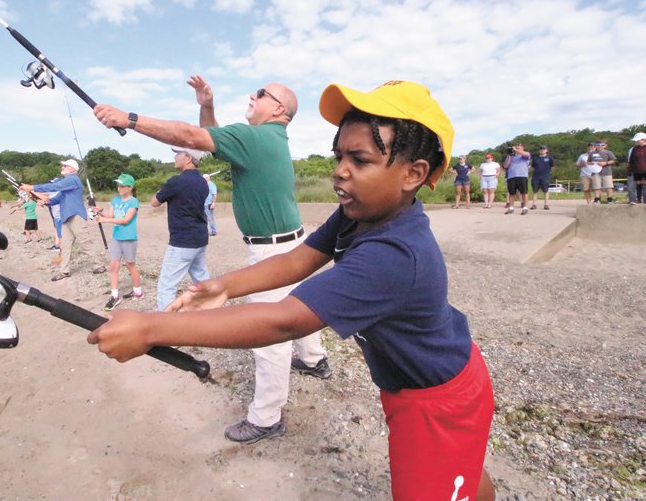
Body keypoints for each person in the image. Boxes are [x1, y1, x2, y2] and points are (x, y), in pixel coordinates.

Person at [88, 80, 496, 501]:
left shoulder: (395, 252)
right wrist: (224, 286)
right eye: (339, 155)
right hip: (421, 380)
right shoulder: (363, 213)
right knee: (459, 474)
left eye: (360, 159)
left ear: (413, 174)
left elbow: (284, 322)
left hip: (437, 400)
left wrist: (151, 329)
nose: (340, 170)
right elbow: (300, 259)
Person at [93, 75, 330, 445]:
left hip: (272, 249)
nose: (252, 95)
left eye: (261, 94)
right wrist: (207, 105)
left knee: (268, 336)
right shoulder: (265, 140)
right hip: (291, 241)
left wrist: (129, 119)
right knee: (301, 304)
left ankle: (266, 417)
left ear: (278, 109)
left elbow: (191, 138)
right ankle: (315, 361)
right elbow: (213, 141)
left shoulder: (256, 137)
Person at [151, 148, 211, 311]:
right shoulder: (203, 182)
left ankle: (165, 325)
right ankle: (212, 311)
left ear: (189, 158)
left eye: (178, 154)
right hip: (200, 237)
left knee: (167, 285)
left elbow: (155, 202)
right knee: (201, 279)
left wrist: (161, 191)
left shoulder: (176, 181)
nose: (175, 157)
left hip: (182, 241)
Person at [20, 159, 94, 281]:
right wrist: (47, 201)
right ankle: (64, 271)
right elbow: (58, 198)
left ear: (72, 169)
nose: (62, 167)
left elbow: (55, 186)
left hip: (75, 215)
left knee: (85, 242)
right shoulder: (67, 183)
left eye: (65, 165)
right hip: (66, 217)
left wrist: (32, 187)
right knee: (65, 245)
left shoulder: (72, 179)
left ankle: (99, 265)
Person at [94, 173, 143, 311]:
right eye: (118, 185)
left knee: (130, 265)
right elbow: (111, 215)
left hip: (129, 238)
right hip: (116, 238)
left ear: (130, 187)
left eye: (122, 185)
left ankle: (138, 291)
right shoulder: (115, 200)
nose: (119, 188)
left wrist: (104, 220)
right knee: (114, 266)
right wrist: (100, 212)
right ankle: (115, 296)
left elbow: (126, 220)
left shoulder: (133, 202)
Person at [502, 143, 531, 215]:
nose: (517, 149)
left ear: (522, 148)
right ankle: (511, 208)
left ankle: (525, 207)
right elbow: (505, 166)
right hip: (511, 176)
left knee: (524, 192)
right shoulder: (511, 156)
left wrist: (516, 150)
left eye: (519, 148)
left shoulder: (525, 154)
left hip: (522, 175)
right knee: (511, 193)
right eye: (516, 148)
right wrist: (509, 155)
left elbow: (526, 155)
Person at [530, 145, 555, 210]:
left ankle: (546, 204)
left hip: (545, 177)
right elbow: (533, 167)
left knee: (545, 190)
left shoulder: (550, 158)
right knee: (535, 191)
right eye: (541, 149)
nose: (542, 150)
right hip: (536, 177)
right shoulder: (535, 158)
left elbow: (552, 167)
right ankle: (534, 204)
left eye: (544, 149)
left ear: (546, 150)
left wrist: (548, 173)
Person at [628, 132, 646, 204]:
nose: (636, 141)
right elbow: (631, 160)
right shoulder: (635, 149)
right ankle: (638, 200)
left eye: (638, 140)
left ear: (643, 139)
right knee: (638, 185)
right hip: (637, 170)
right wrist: (630, 169)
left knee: (645, 185)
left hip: (645, 170)